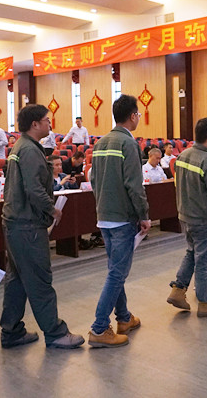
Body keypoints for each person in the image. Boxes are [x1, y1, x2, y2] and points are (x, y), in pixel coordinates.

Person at [0, 105, 84, 350]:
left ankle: (11, 331)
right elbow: (34, 188)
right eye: (46, 120)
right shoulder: (29, 150)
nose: (50, 124)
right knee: (39, 279)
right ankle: (55, 332)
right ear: (35, 124)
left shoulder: (23, 146)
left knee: (17, 280)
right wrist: (52, 209)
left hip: (16, 223)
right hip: (27, 225)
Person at [88, 95, 150, 348]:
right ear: (133, 116)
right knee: (117, 274)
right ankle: (99, 328)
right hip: (123, 218)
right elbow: (134, 185)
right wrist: (144, 215)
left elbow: (93, 179)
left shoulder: (100, 143)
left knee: (116, 269)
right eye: (138, 114)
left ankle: (124, 318)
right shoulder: (128, 143)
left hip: (104, 216)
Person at [167, 118, 207, 317]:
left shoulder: (183, 155)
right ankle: (206, 302)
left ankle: (178, 290)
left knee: (192, 252)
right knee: (205, 260)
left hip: (185, 215)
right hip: (203, 218)